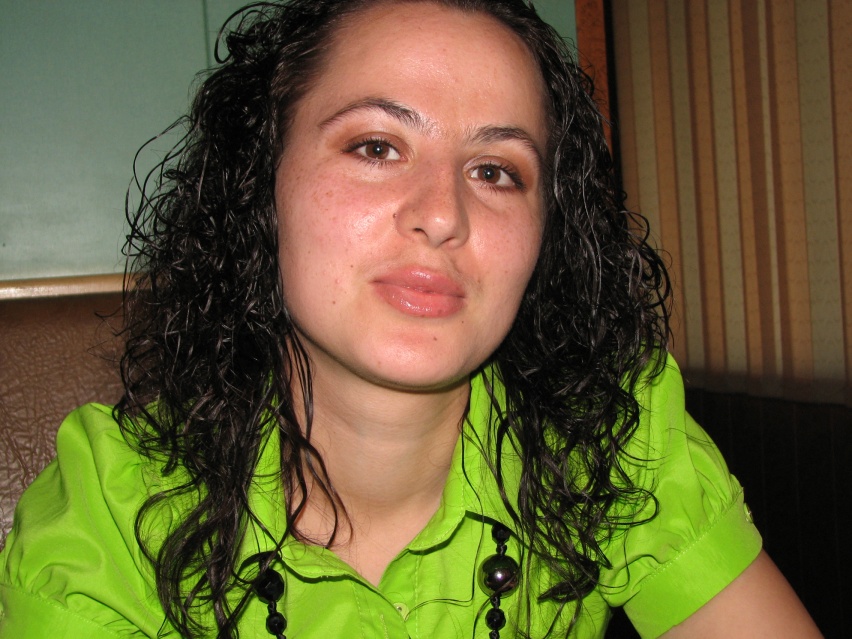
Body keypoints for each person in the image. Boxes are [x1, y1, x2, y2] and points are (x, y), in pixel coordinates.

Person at [0, 1, 821, 637]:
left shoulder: (609, 437)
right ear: (261, 185)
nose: (442, 213)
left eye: (496, 170)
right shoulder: (112, 512)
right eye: (376, 147)